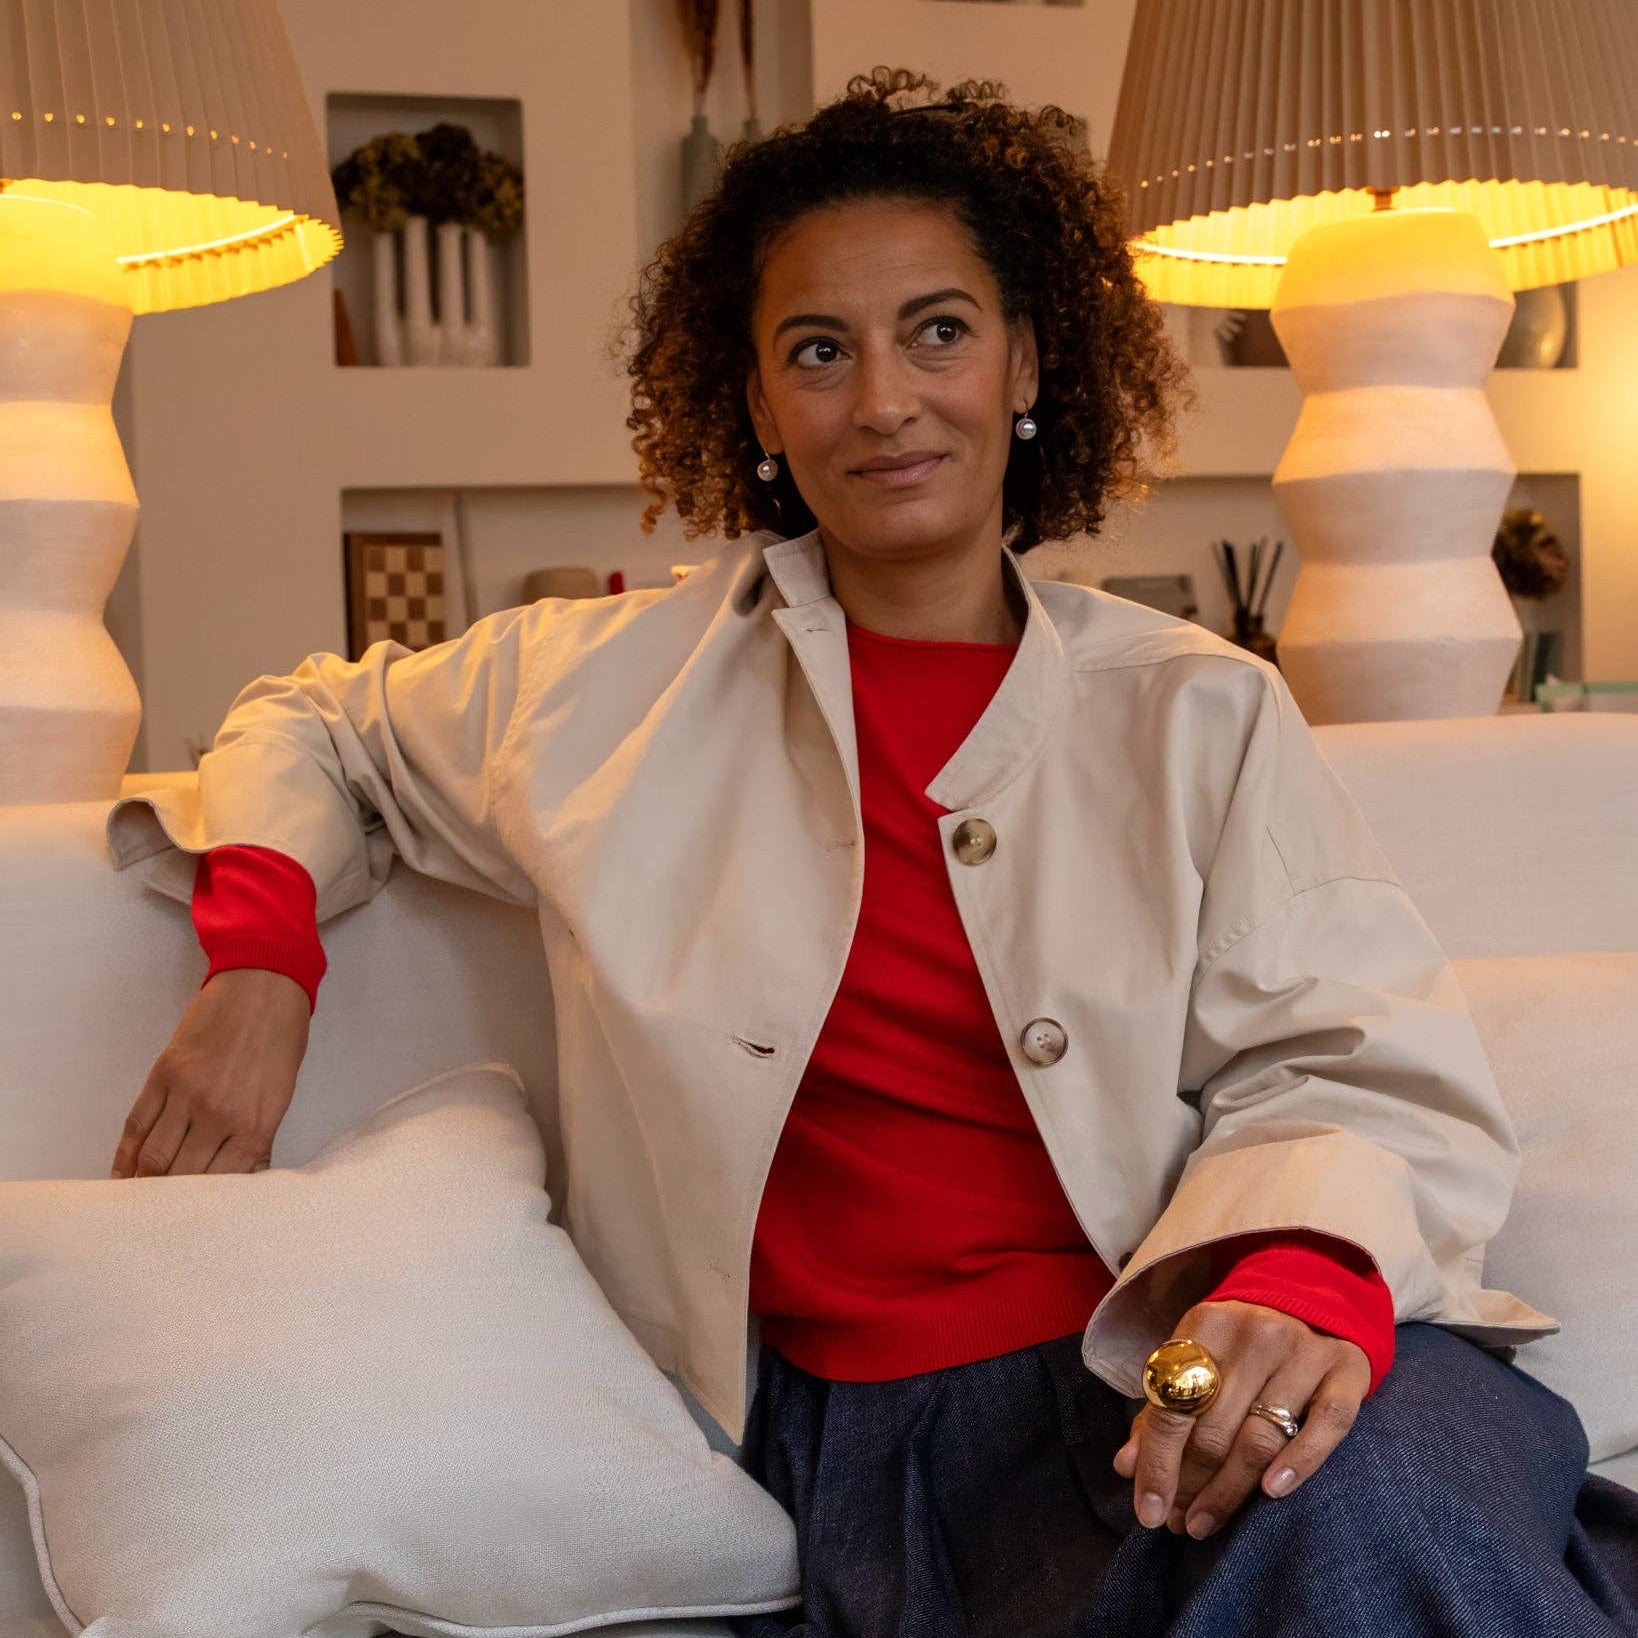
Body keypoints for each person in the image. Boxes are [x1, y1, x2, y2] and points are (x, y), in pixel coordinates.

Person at [102, 66, 1638, 1637]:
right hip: (865, 1449)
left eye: (939, 330)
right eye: (818, 352)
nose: (886, 401)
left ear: (1026, 358)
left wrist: (1297, 1281)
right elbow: (307, 721)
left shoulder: (1196, 707)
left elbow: (1346, 1054)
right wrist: (261, 963)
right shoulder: (597, 690)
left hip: (1174, 1348)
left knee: (1360, 1507)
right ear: (759, 403)